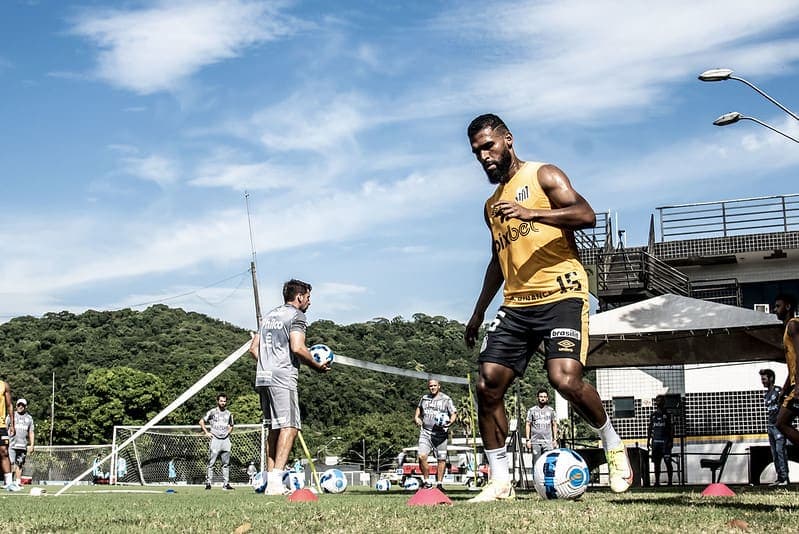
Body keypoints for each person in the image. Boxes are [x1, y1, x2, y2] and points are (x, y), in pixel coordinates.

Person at [463, 114, 632, 502]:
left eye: (489, 146)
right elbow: (497, 259)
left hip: (561, 293)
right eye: (476, 153)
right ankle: (500, 480)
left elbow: (585, 214)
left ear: (507, 140)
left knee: (564, 380)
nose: (484, 157)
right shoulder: (491, 206)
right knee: (487, 384)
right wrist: (477, 312)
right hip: (517, 304)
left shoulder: (543, 175)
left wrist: (532, 213)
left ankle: (612, 443)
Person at [248, 279, 331, 495]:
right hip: (283, 377)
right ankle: (276, 483)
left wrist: (267, 364)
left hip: (263, 377)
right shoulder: (297, 316)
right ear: (300, 297)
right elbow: (298, 347)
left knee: (274, 427)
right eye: (309, 298)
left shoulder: (269, 316)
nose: (310, 303)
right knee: (291, 426)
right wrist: (316, 366)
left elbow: (252, 349)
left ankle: (268, 479)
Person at [413, 379, 458, 490]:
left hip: (441, 435)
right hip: (426, 433)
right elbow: (419, 408)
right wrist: (416, 417)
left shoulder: (446, 399)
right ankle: (427, 481)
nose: (432, 388)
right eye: (430, 386)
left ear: (439, 386)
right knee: (422, 456)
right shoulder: (424, 398)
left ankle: (439, 484)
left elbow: (453, 413)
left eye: (434, 386)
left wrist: (450, 422)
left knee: (441, 459)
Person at [775, 294, 799, 455]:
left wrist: (798, 386)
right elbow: (792, 365)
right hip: (793, 385)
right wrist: (784, 389)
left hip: (798, 386)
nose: (774, 309)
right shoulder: (788, 328)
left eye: (778, 306)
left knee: (781, 423)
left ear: (788, 307)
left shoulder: (793, 325)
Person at [199, 393, 235, 490]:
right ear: (217, 401)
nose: (223, 403)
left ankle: (226, 484)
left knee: (226, 463)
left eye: (224, 401)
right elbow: (201, 421)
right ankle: (208, 483)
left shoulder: (229, 414)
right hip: (215, 439)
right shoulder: (212, 412)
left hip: (225, 441)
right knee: (211, 462)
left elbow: (231, 425)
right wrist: (206, 432)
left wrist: (228, 433)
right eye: (221, 401)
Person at [759, 368, 788, 486]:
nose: (762, 381)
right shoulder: (766, 394)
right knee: (774, 453)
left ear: (770, 378)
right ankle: (780, 477)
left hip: (778, 426)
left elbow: (785, 407)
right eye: (762, 379)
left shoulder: (778, 391)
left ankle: (785, 478)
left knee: (780, 451)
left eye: (764, 379)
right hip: (770, 426)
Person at [525, 388, 558, 467]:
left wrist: (555, 439)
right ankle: (536, 479)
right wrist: (528, 440)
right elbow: (528, 424)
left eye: (544, 397)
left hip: (548, 442)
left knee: (549, 463)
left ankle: (546, 479)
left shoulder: (551, 411)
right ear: (537, 398)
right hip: (535, 442)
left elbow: (554, 424)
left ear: (547, 398)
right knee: (536, 464)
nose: (542, 398)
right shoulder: (532, 410)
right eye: (541, 396)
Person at [647, 395, 674, 486]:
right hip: (656, 443)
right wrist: (648, 441)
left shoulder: (668, 414)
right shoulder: (653, 415)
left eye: (660, 401)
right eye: (657, 401)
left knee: (667, 461)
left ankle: (670, 482)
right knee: (656, 463)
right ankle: (657, 482)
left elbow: (671, 428)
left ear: (663, 402)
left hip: (665, 443)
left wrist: (671, 441)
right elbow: (650, 428)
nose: (658, 402)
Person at [7, 398, 33, 487]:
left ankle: (18, 482)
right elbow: (5, 427)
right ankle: (9, 482)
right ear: (16, 405)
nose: (20, 407)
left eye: (22, 405)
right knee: (10, 463)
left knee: (19, 464)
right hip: (12, 444)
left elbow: (31, 432)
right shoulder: (11, 416)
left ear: (26, 407)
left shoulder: (29, 418)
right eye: (19, 405)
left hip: (22, 445)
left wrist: (32, 444)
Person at [0, 380, 19, 491]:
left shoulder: (3, 385)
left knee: (4, 451)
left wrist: (12, 424)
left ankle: (9, 483)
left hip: (1, 425)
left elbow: (9, 405)